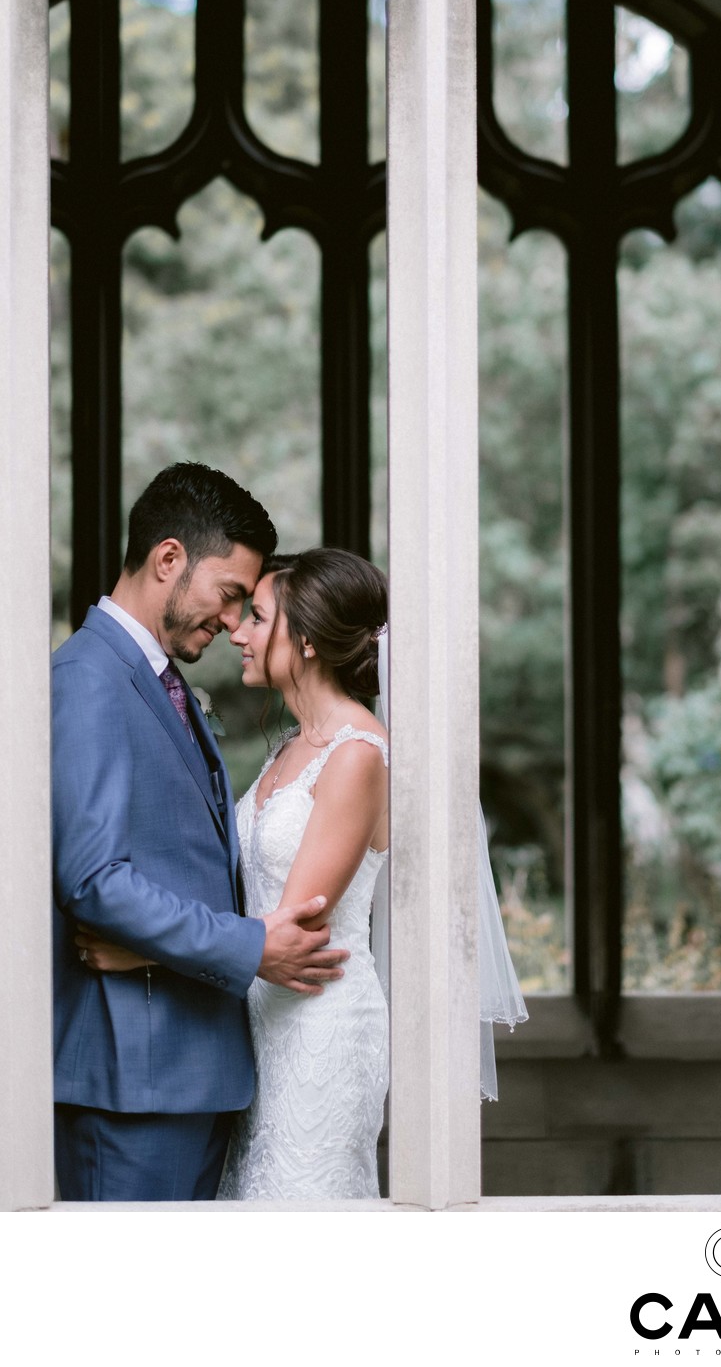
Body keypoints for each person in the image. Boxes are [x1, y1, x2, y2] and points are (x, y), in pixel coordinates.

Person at [52, 464, 349, 1203]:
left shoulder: (162, 681)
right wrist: (247, 946)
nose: (230, 620)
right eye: (228, 595)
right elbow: (91, 878)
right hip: (131, 1082)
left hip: (195, 1071)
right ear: (168, 559)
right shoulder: (87, 678)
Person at [216, 549, 390, 1200]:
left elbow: (295, 926)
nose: (237, 631)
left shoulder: (355, 757)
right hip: (262, 1021)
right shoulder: (291, 745)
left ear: (308, 640)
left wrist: (139, 954)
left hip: (320, 1029)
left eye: (257, 617)